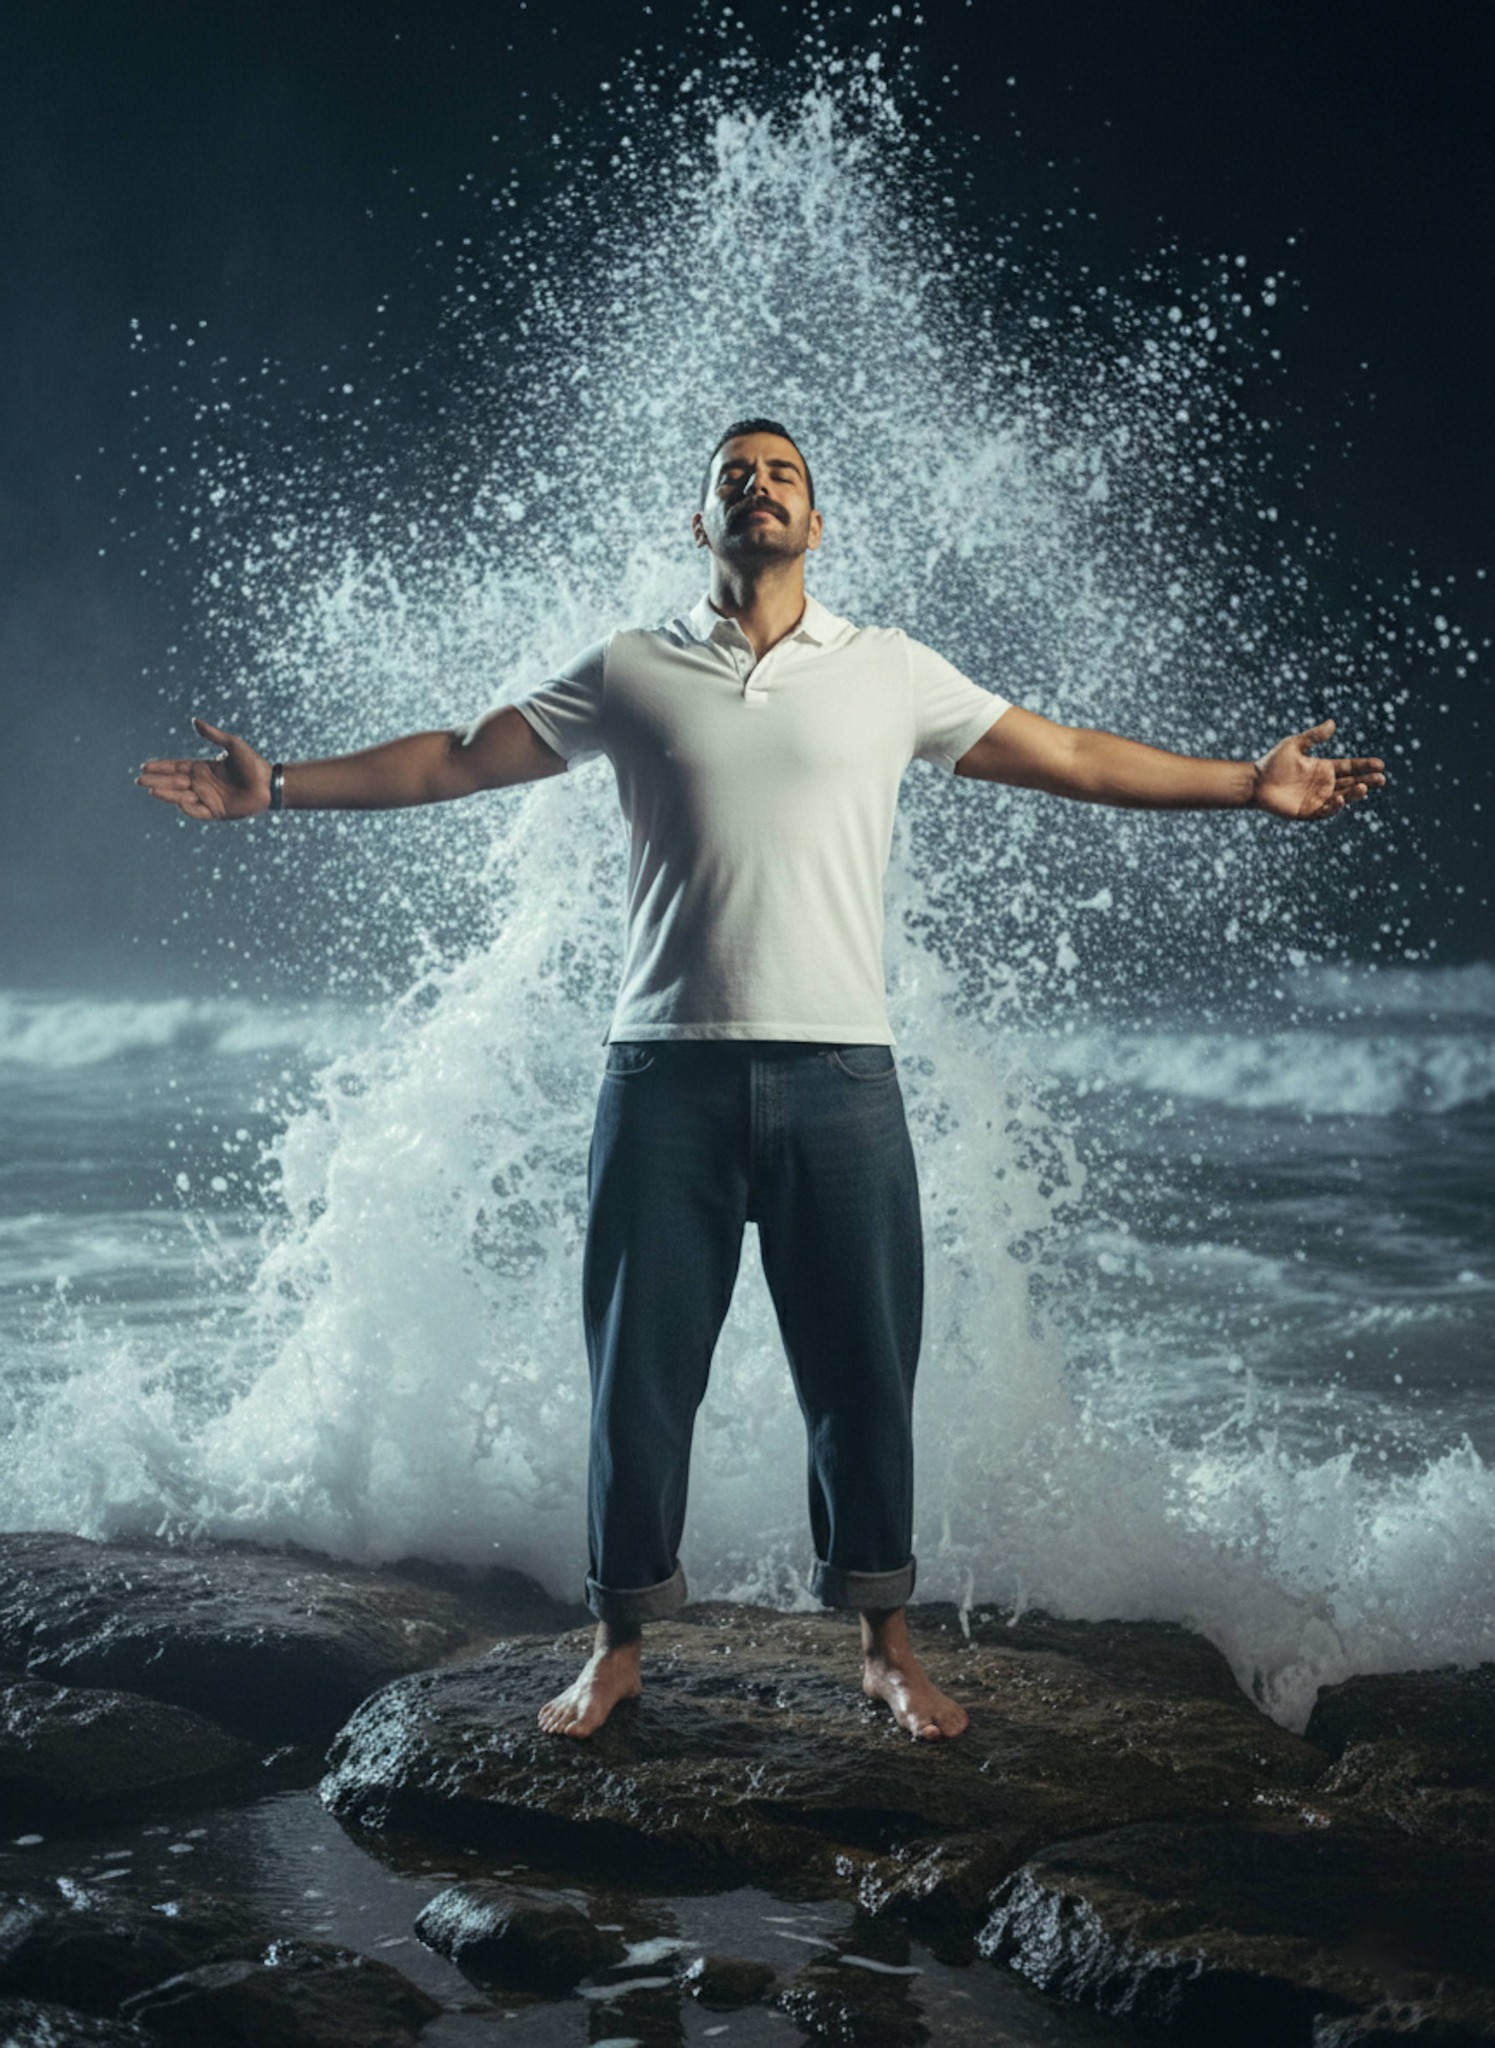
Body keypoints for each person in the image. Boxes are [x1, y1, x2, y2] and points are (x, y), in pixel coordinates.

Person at [137, 418, 1386, 1742]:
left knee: (862, 1378)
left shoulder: (889, 671)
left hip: (842, 1078)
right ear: (700, 524)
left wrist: (1247, 786)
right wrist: (281, 790)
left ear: (818, 521)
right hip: (662, 1080)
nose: (759, 485)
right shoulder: (633, 669)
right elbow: (458, 754)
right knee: (637, 1379)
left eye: (783, 473)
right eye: (735, 475)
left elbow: (1070, 756)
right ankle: (617, 1648)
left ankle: (887, 1648)